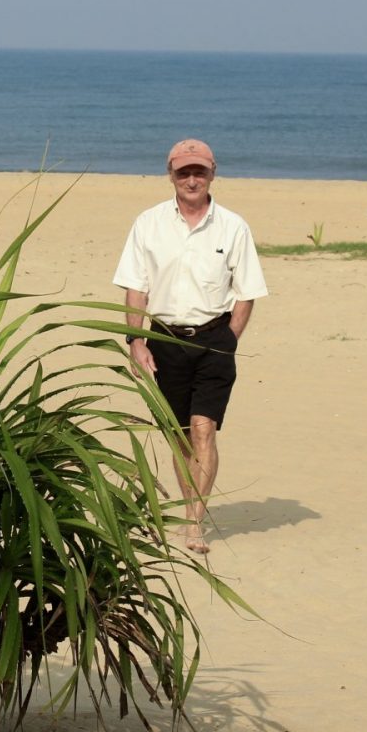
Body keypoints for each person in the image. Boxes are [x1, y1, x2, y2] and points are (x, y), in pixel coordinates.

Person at [113, 138, 268, 555]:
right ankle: (189, 510)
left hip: (214, 340)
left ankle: (195, 523)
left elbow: (247, 291)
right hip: (164, 340)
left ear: (213, 174)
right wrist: (136, 340)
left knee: (204, 429)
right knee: (179, 436)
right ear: (171, 175)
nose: (192, 179)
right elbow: (135, 287)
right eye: (184, 172)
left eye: (199, 171)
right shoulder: (148, 223)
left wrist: (229, 339)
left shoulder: (233, 226)